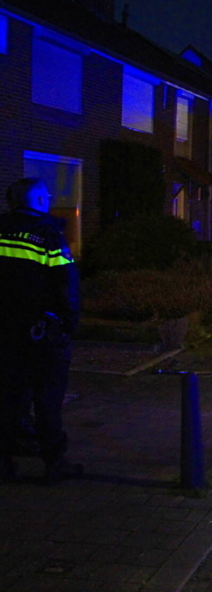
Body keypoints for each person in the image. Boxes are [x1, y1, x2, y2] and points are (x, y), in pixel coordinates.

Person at [0, 178, 82, 484]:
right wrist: (70, 323)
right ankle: (53, 464)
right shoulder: (47, 234)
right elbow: (67, 283)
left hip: (5, 332)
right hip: (42, 331)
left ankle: (4, 462)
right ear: (37, 201)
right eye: (46, 195)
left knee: (7, 396)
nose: (49, 199)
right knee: (47, 398)